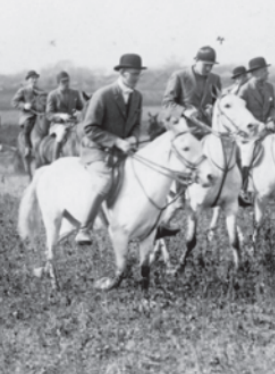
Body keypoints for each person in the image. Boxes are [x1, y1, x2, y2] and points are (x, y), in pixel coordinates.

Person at [74, 54, 146, 246]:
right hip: (97, 151)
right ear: (122, 73)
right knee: (104, 182)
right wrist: (116, 141)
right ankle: (85, 229)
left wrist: (133, 138)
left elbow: (137, 125)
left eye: (139, 74)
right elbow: (89, 129)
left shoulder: (137, 97)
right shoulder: (103, 95)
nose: (137, 78)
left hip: (121, 151)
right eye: (133, 74)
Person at [236, 56, 275, 203]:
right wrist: (256, 125)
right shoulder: (244, 90)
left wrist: (271, 120)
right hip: (249, 133)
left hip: (268, 130)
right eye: (265, 70)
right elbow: (239, 113)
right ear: (255, 72)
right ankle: (244, 189)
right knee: (248, 158)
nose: (267, 73)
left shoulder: (270, 87)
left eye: (267, 70)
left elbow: (273, 107)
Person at [162, 46, 223, 126]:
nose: (208, 69)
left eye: (211, 66)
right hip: (182, 127)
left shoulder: (215, 79)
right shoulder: (179, 76)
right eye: (205, 65)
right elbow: (167, 103)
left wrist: (212, 109)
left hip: (208, 128)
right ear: (196, 61)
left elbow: (218, 104)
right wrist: (184, 111)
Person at [46, 71, 85, 160]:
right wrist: (60, 116)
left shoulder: (75, 93)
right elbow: (49, 114)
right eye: (63, 82)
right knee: (61, 134)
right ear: (58, 82)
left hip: (74, 123)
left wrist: (80, 112)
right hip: (58, 124)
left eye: (67, 81)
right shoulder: (52, 95)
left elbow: (81, 108)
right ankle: (54, 160)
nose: (66, 83)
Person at [12, 70, 45, 156]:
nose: (34, 80)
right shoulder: (23, 90)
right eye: (32, 78)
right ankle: (28, 147)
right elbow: (14, 102)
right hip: (28, 115)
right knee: (27, 129)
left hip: (41, 115)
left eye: (36, 78)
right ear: (28, 79)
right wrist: (24, 105)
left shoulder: (41, 91)